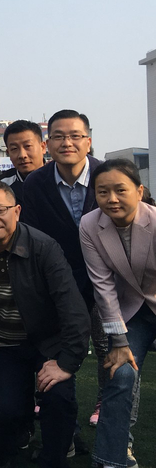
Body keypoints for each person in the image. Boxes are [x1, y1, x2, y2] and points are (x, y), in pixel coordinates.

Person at [0, 180, 90, 468]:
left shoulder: (44, 247)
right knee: (3, 411)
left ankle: (54, 459)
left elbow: (73, 309)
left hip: (47, 342)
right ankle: (5, 456)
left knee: (58, 398)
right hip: (1, 343)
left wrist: (66, 362)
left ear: (16, 211)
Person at [21, 109, 106, 428]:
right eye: (58, 136)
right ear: (48, 143)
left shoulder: (107, 175)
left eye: (75, 136)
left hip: (106, 280)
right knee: (58, 347)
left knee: (108, 347)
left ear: (88, 141)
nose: (66, 143)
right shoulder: (36, 182)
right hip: (57, 281)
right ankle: (63, 429)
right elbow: (33, 235)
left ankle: (106, 404)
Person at [80, 159, 153, 468]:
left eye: (120, 190)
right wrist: (120, 341)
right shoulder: (89, 225)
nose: (112, 199)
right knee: (120, 373)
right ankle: (112, 459)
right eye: (103, 192)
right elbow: (103, 285)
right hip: (130, 311)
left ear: (139, 191)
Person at [0, 120, 47, 203]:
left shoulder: (60, 179)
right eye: (14, 149)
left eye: (28, 146)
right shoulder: (1, 186)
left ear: (43, 147)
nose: (22, 155)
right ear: (8, 153)